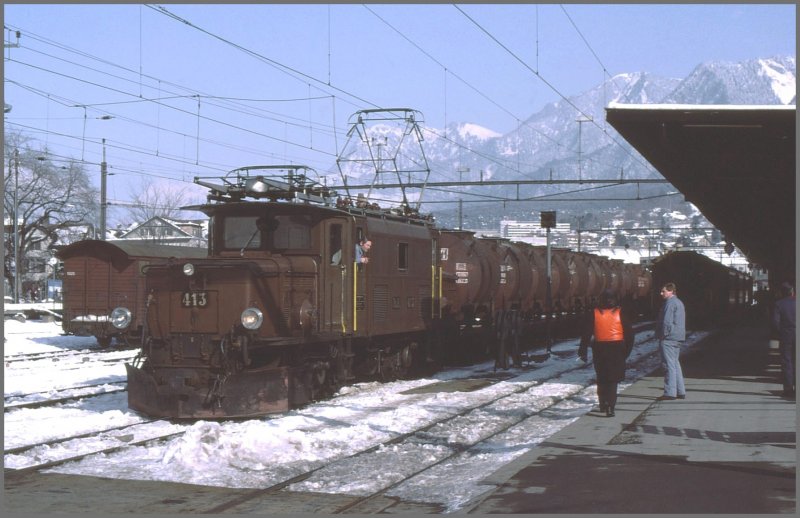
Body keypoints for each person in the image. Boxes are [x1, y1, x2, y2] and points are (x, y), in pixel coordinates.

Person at [578, 289, 635, 417]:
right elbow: (630, 334)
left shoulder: (594, 313)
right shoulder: (621, 313)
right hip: (617, 348)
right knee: (613, 380)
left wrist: (583, 350)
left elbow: (586, 334)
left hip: (600, 348)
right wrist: (627, 351)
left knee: (602, 377)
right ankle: (611, 407)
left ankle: (602, 403)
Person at [655, 282, 686, 401]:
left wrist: (663, 335)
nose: (661, 293)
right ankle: (680, 391)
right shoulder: (679, 302)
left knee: (668, 365)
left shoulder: (669, 303)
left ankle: (670, 392)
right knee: (675, 364)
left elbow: (666, 322)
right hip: (678, 337)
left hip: (669, 338)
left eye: (664, 291)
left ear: (671, 291)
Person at [772, 281, 795, 398]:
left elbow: (776, 322)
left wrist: (781, 333)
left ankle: (788, 389)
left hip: (786, 336)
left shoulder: (779, 304)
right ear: (792, 291)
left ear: (781, 293)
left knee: (787, 362)